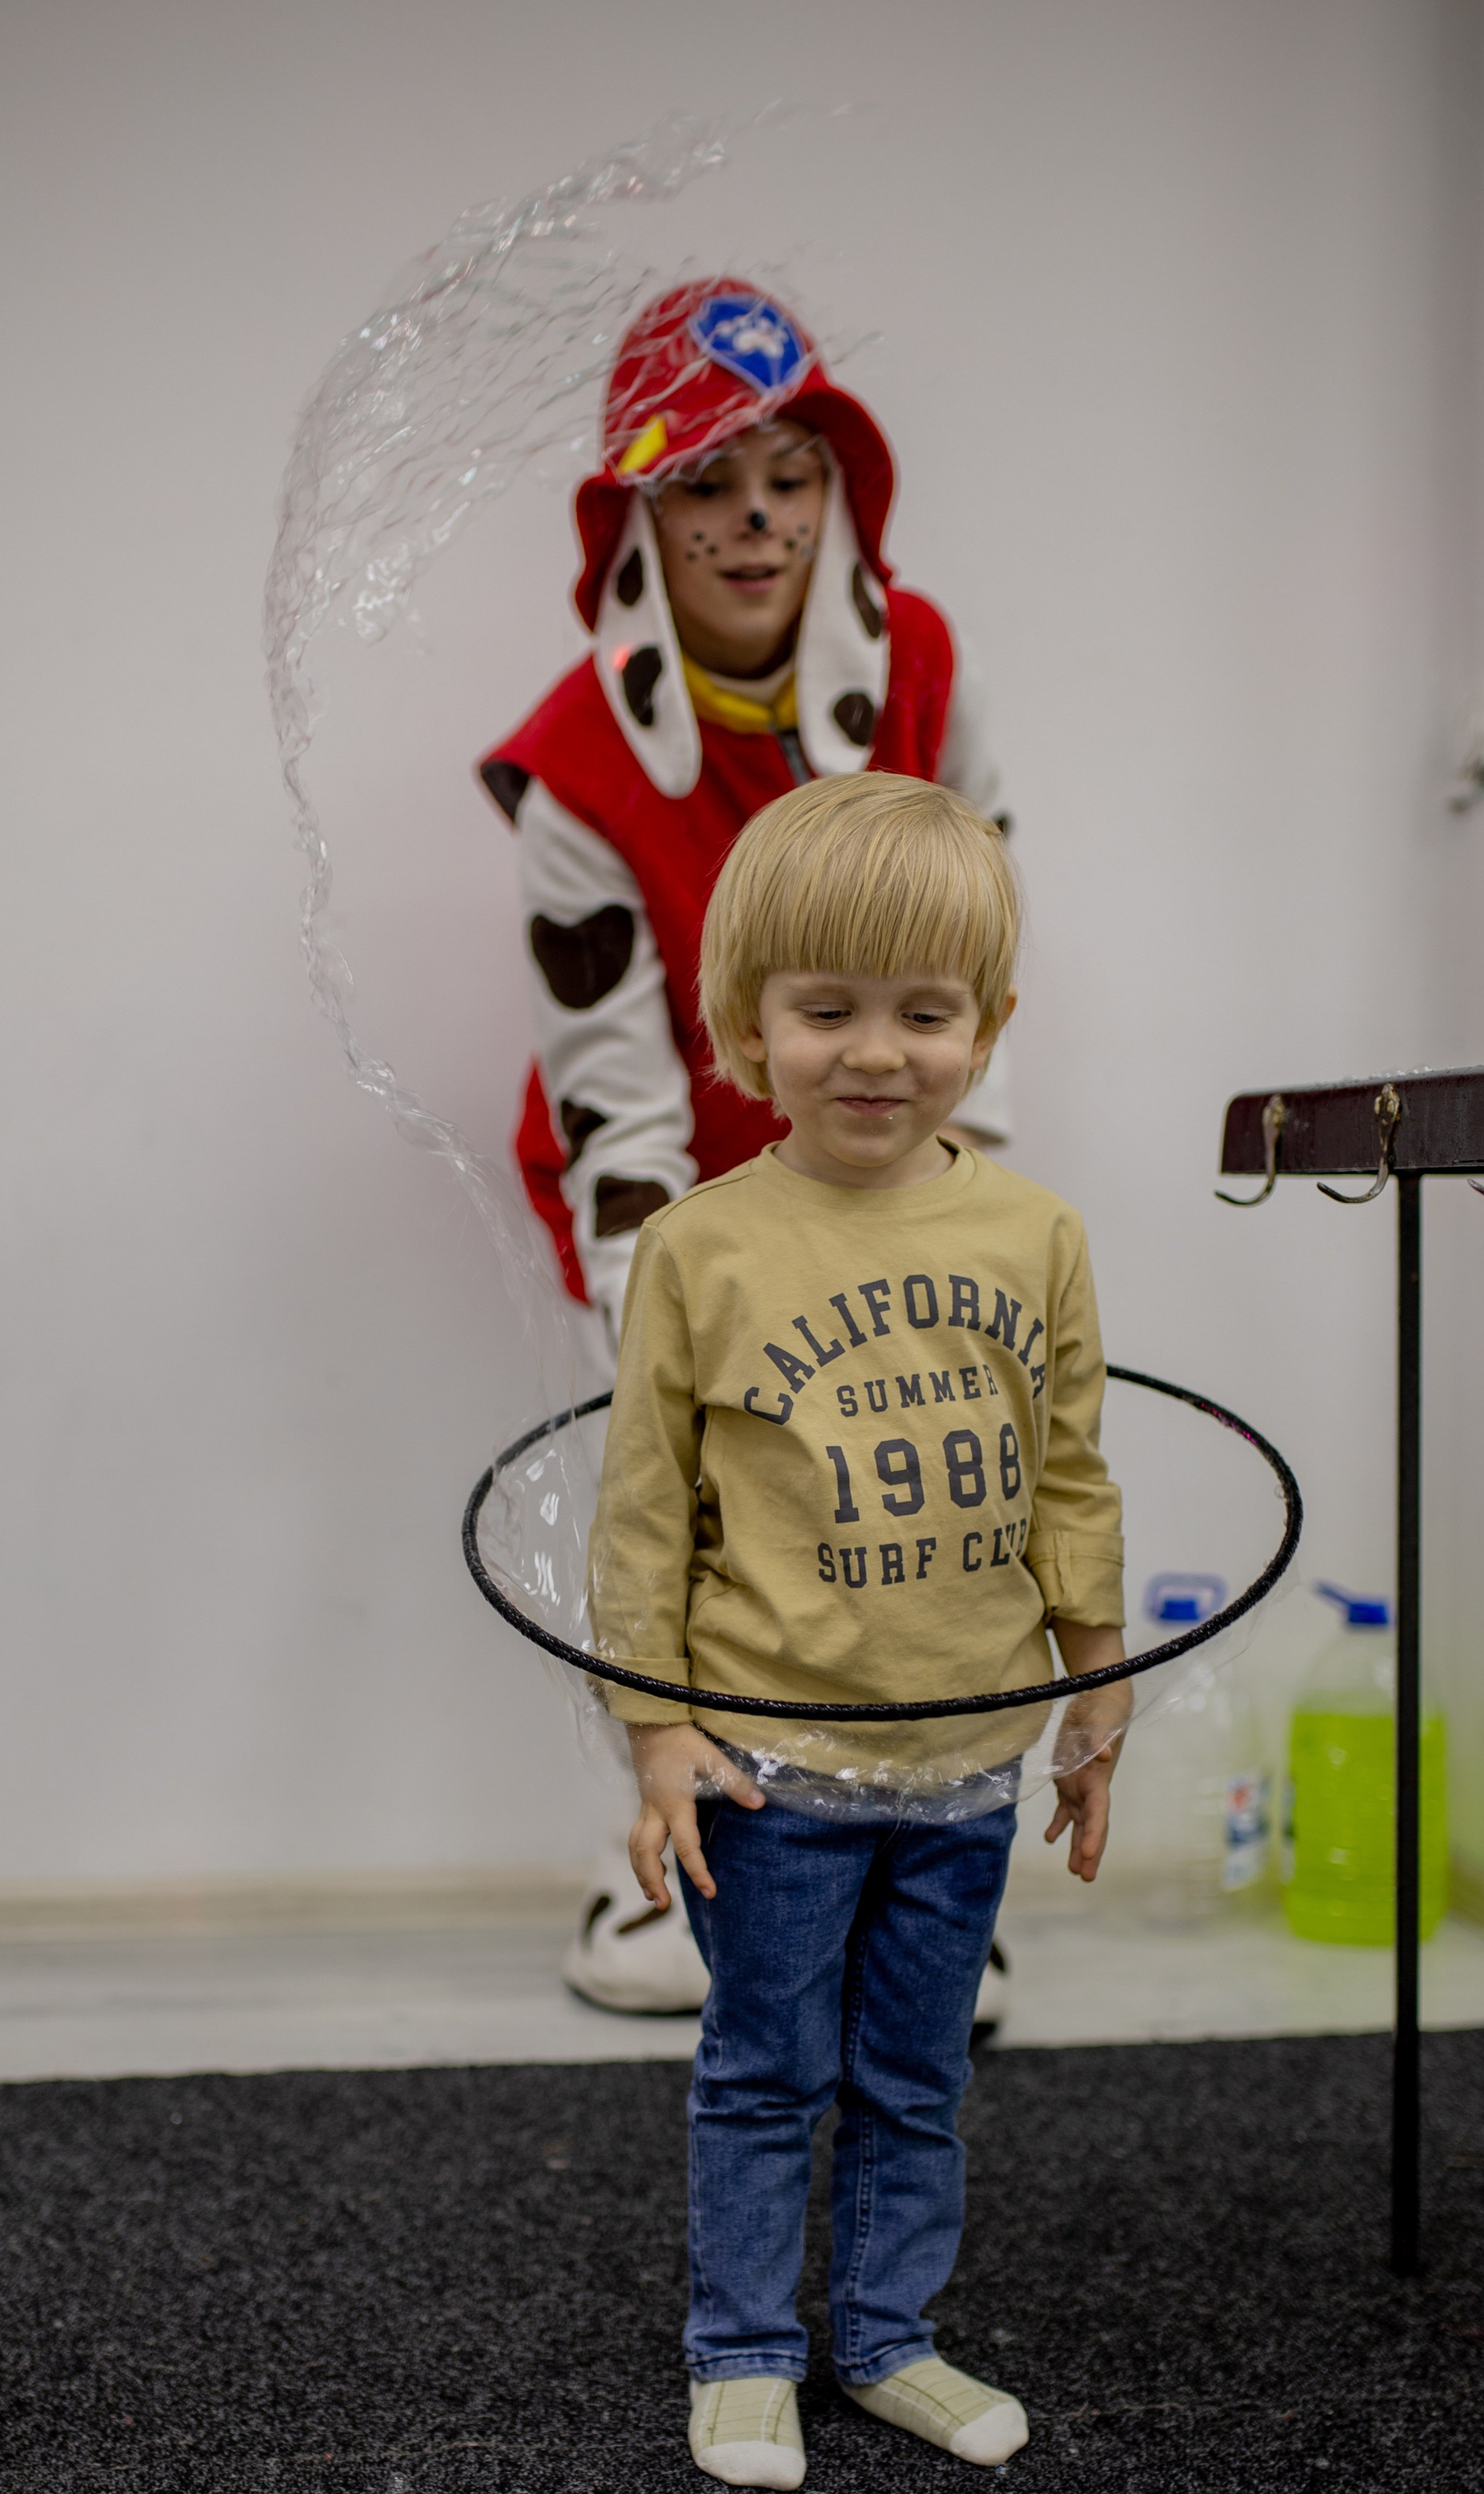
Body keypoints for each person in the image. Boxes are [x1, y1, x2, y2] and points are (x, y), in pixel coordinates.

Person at [479, 279, 1014, 2017]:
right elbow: (614, 1091)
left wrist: (954, 1225)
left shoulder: (923, 667)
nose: (754, 519)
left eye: (786, 474)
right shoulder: (573, 764)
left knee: (897, 1511)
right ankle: (667, 1870)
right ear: (642, 515)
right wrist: (679, 1323)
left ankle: (918, 1867)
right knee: (683, 1528)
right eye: (705, 484)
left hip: (887, 1174)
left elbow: (975, 957)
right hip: (670, 1191)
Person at [587, 775, 1129, 2491]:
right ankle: (742, 2351)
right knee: (763, 2072)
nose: (875, 1053)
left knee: (914, 2074)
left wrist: (1094, 1696)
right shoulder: (698, 1248)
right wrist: (657, 1734)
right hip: (773, 1763)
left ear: (990, 1027)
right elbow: (642, 1515)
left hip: (965, 1758)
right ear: (744, 1024)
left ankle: (885, 2337)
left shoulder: (1033, 1234)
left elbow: (1066, 1469)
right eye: (824, 1011)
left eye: (924, 1011)